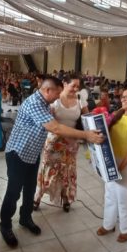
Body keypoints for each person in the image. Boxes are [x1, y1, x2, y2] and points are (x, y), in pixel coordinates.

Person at [0, 76, 104, 248]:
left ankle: (25, 218)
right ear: (48, 90)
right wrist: (86, 135)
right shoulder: (35, 103)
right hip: (18, 153)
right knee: (13, 192)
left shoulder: (45, 103)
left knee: (30, 190)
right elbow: (55, 127)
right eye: (57, 93)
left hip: (32, 154)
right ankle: (5, 226)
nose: (58, 96)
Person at [96, 87, 127, 243]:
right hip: (113, 158)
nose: (123, 99)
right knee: (110, 193)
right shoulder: (119, 114)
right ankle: (108, 225)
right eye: (122, 96)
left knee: (123, 196)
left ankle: (125, 229)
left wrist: (120, 167)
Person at [34, 74, 88, 212]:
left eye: (78, 86)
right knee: (48, 169)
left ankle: (66, 197)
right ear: (64, 84)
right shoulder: (55, 100)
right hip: (55, 141)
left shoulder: (80, 99)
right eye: (73, 85)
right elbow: (49, 123)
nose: (76, 89)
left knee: (67, 171)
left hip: (72, 142)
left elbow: (87, 118)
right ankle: (37, 197)